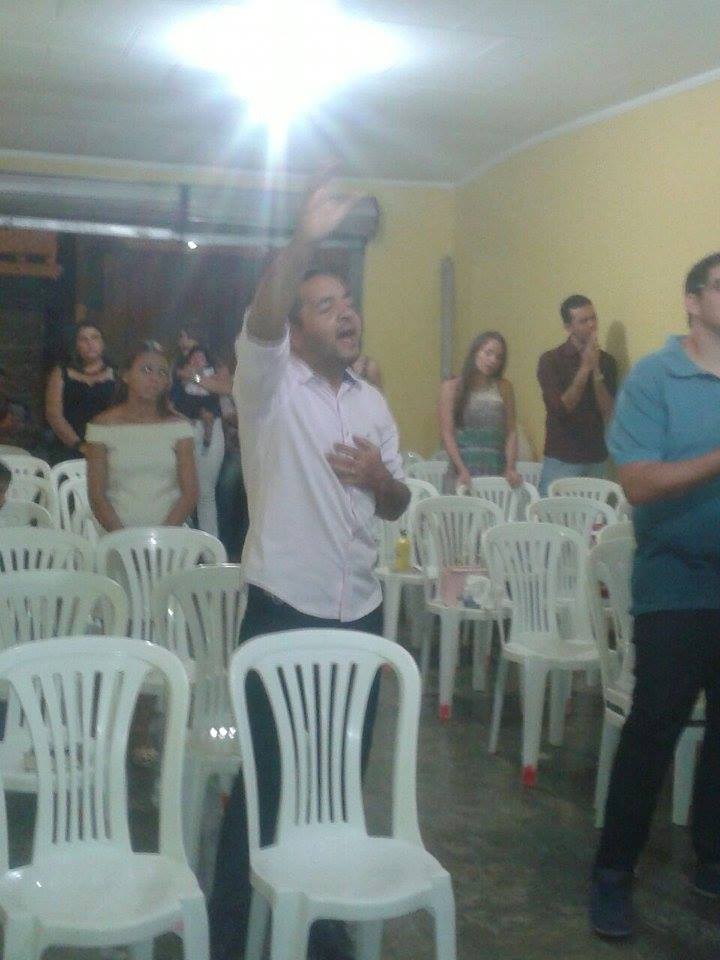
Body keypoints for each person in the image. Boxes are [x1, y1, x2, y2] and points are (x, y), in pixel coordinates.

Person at [209, 171, 410, 960]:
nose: (345, 314)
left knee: (338, 780)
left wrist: (381, 479)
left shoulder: (371, 403)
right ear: (296, 329)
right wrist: (303, 241)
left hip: (358, 610)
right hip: (283, 608)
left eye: (347, 302)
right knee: (266, 780)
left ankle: (319, 924)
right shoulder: (269, 387)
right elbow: (261, 318)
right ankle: (233, 933)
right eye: (324, 306)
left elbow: (396, 504)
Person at [589, 252, 720, 939]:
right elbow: (637, 481)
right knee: (654, 730)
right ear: (692, 301)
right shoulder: (654, 377)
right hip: (676, 585)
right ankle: (613, 872)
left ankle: (712, 860)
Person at [85, 340, 198, 531]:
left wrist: (160, 537)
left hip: (170, 535)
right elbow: (97, 495)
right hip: (115, 535)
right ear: (126, 375)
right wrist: (125, 539)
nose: (154, 378)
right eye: (146, 370)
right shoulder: (101, 426)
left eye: (162, 373)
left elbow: (189, 494)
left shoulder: (180, 427)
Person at [536, 295, 617, 495]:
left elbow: (608, 412)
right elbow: (561, 409)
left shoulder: (607, 361)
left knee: (594, 515)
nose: (592, 325)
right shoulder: (551, 361)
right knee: (553, 513)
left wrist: (596, 370)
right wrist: (585, 368)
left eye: (593, 318)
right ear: (568, 327)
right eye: (583, 321)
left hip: (596, 458)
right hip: (562, 458)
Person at [439, 331, 521, 491]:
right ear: (475, 352)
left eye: (499, 357)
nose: (493, 360)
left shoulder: (504, 387)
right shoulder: (451, 387)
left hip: (495, 466)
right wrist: (461, 469)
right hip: (462, 469)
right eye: (488, 353)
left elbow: (511, 431)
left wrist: (510, 467)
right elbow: (447, 434)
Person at [172, 344, 230, 537]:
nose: (197, 359)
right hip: (185, 430)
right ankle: (183, 538)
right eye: (193, 356)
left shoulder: (215, 377)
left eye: (201, 356)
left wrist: (196, 377)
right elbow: (169, 404)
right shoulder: (179, 379)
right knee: (181, 488)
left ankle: (209, 544)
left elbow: (227, 391)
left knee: (206, 491)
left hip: (211, 431)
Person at [45, 322, 116, 464]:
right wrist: (79, 445)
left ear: (103, 343)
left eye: (95, 337)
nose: (90, 343)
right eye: (84, 339)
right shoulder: (61, 372)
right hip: (68, 447)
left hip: (108, 448)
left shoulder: (118, 374)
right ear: (76, 345)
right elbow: (54, 414)